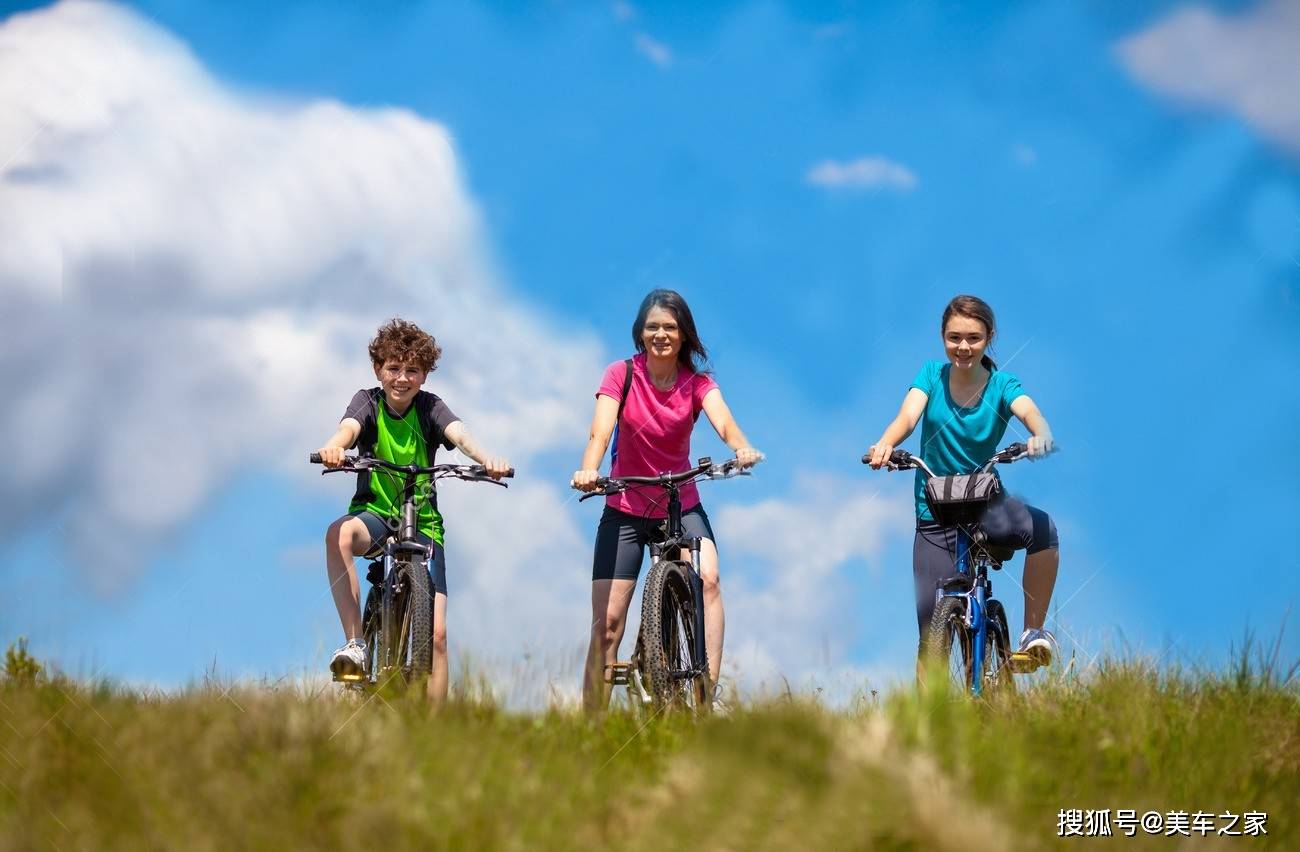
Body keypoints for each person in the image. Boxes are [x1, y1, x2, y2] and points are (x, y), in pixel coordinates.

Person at [572, 289, 762, 712]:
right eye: (653, 327)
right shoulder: (620, 374)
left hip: (680, 504)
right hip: (624, 507)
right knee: (607, 626)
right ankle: (591, 726)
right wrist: (589, 469)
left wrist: (741, 447)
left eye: (670, 328)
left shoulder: (698, 383)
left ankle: (705, 696)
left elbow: (724, 422)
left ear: (683, 335)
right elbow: (600, 432)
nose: (661, 334)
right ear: (640, 332)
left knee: (709, 579)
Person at [315, 318, 510, 703]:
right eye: (393, 368)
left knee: (437, 637)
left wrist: (487, 459)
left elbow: (459, 433)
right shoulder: (368, 402)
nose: (402, 378)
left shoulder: (429, 407)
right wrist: (334, 446)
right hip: (375, 515)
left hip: (423, 524)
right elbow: (348, 428)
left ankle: (432, 729)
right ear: (378, 369)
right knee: (338, 534)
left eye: (412, 370)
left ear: (424, 375)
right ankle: (356, 643)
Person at [866, 295, 1060, 670]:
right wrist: (886, 443)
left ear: (989, 338)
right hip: (935, 513)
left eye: (974, 338)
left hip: (987, 508)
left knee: (1044, 530)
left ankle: (1032, 632)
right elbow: (907, 417)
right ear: (942, 336)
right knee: (930, 638)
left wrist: (1041, 434)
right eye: (954, 338)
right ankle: (934, 707)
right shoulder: (931, 376)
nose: (964, 347)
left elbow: (1029, 411)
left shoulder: (1001, 384)